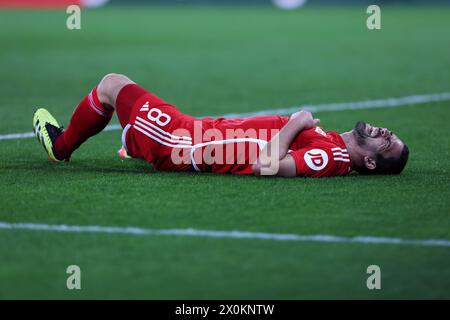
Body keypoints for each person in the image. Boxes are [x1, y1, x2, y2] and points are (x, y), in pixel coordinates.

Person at [32, 73, 409, 177]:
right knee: (130, 111)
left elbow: (267, 166)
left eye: (388, 144)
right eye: (391, 133)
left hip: (183, 140)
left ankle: (60, 148)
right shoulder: (332, 147)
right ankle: (136, 143)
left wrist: (295, 123)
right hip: (193, 135)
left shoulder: (330, 157)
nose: (386, 133)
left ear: (372, 162)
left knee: (113, 84)